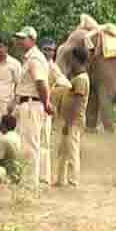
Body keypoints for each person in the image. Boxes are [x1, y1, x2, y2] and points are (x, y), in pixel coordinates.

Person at [11, 26, 52, 190]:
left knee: (30, 146)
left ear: (32, 40)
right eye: (19, 39)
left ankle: (29, 184)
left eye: (23, 39)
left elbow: (41, 83)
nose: (20, 42)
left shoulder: (34, 58)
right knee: (28, 144)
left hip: (31, 104)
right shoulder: (29, 58)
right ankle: (29, 181)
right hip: (28, 104)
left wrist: (46, 103)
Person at [39, 38, 72, 186]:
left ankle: (44, 177)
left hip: (45, 108)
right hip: (32, 105)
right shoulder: (37, 62)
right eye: (46, 49)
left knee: (44, 142)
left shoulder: (52, 67)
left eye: (51, 50)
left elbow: (66, 84)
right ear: (41, 49)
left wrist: (51, 95)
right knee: (33, 142)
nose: (49, 52)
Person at [56, 46, 91, 187]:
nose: (70, 62)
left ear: (77, 60)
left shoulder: (81, 79)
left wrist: (68, 123)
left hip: (74, 121)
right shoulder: (77, 77)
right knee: (63, 151)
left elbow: (77, 104)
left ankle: (72, 181)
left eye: (72, 59)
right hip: (69, 121)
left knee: (72, 151)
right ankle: (61, 180)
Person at [0, 115, 23, 183]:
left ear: (3, 126)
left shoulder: (2, 139)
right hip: (18, 172)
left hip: (7, 174)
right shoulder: (17, 137)